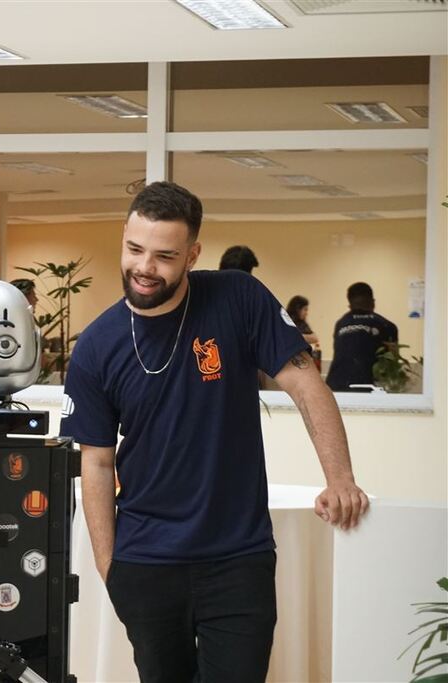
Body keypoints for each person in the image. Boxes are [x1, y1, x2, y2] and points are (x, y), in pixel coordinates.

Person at [61, 181, 368, 683]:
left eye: (164, 255)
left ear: (192, 253)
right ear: (123, 237)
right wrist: (111, 569)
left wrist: (340, 478)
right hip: (146, 561)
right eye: (135, 249)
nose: (144, 267)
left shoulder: (237, 297)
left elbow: (307, 385)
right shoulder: (97, 347)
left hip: (237, 556)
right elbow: (95, 461)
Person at [326, 282, 399, 392]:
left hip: (335, 388)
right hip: (369, 389)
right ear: (373, 303)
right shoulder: (387, 325)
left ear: (349, 305)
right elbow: (392, 365)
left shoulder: (341, 324)